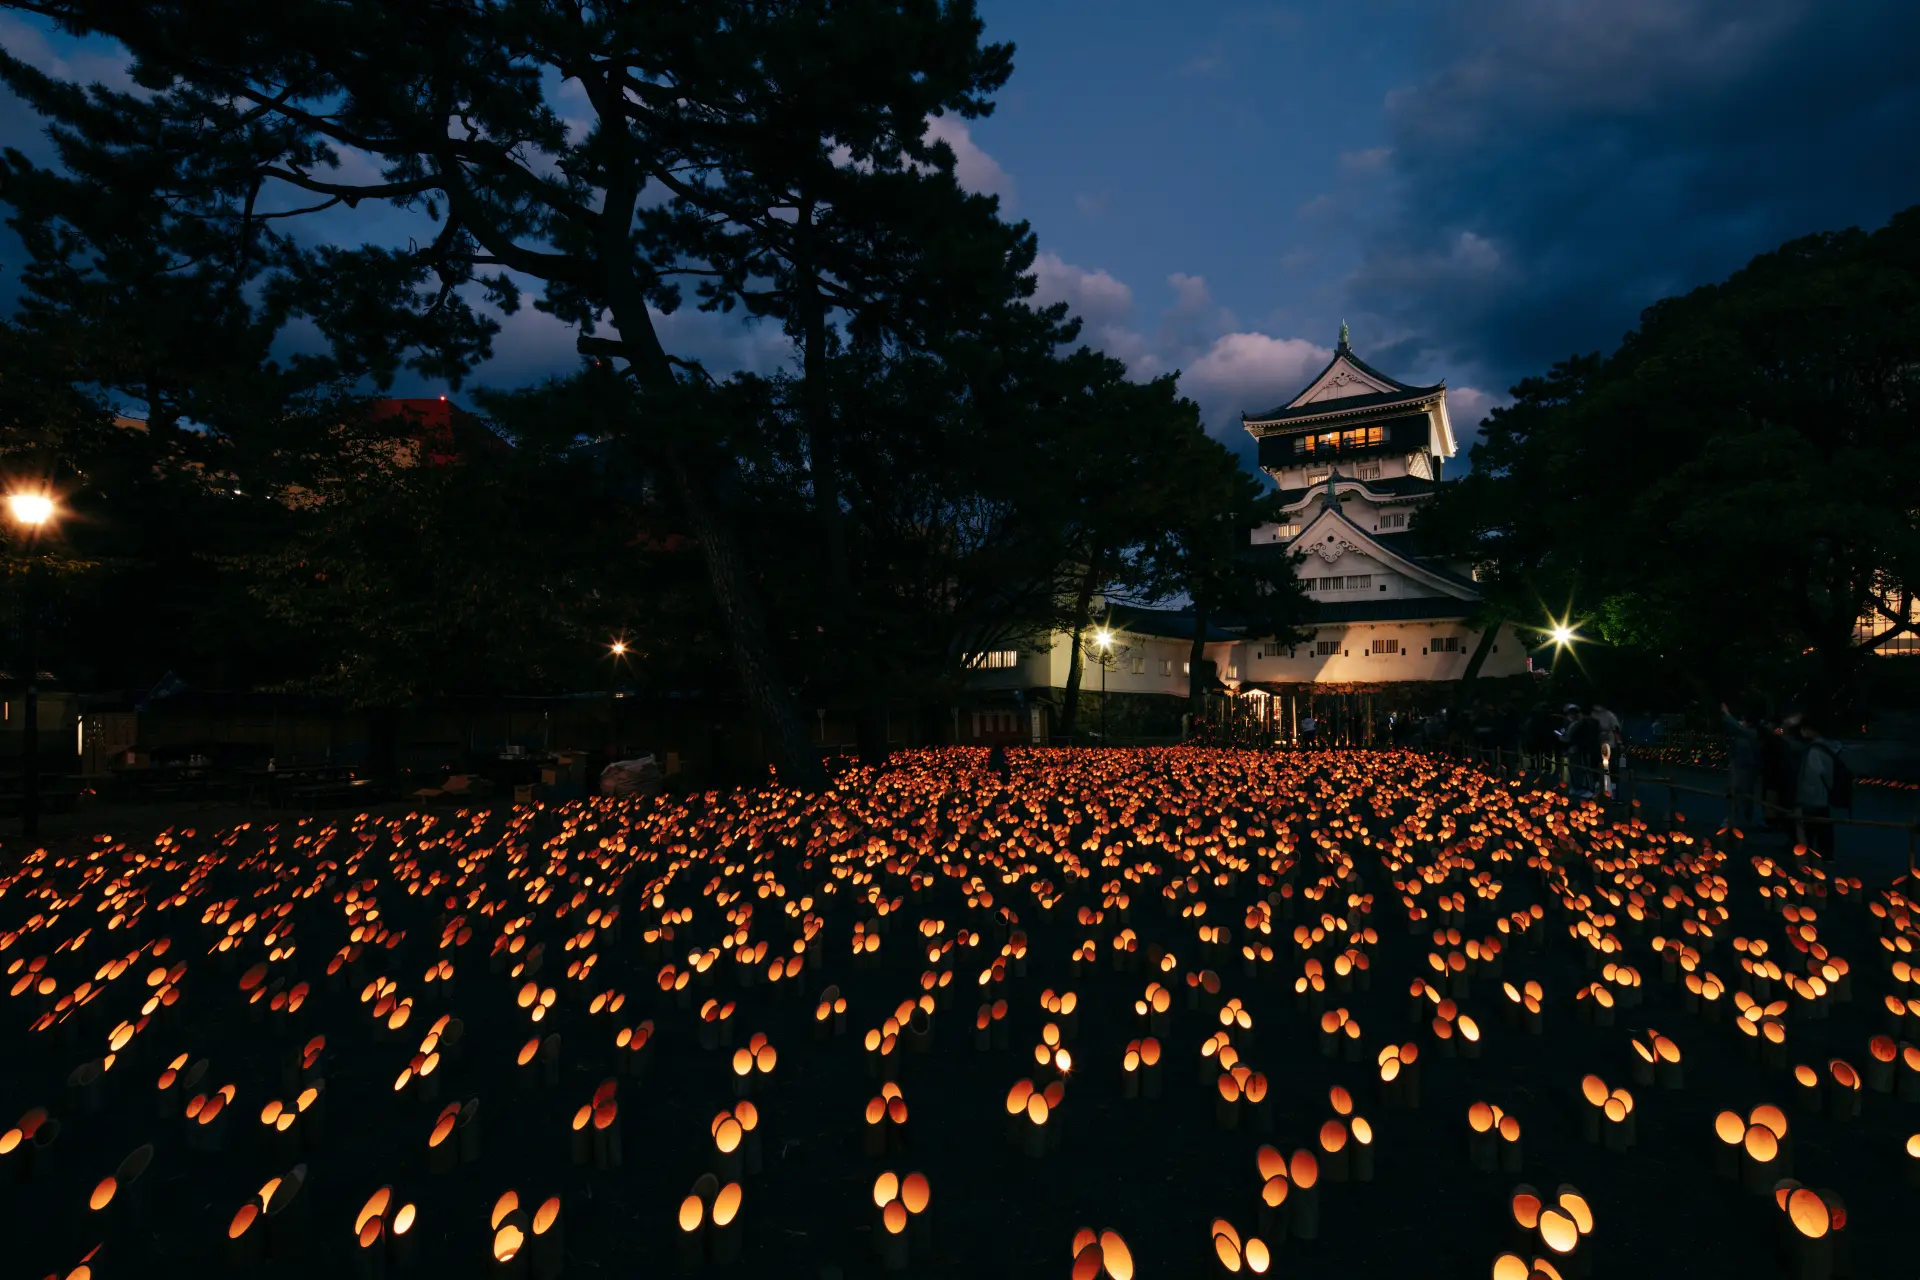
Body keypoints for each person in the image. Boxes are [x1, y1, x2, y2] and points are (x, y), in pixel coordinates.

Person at [1796, 718, 1844, 861]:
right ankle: (1826, 856)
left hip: (1812, 796)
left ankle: (1813, 859)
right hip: (1824, 794)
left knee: (1812, 828)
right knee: (1825, 827)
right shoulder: (1828, 748)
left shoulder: (1814, 750)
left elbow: (1812, 774)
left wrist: (1801, 796)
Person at [1720, 702, 1759, 830]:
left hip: (1747, 767)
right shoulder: (1741, 733)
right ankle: (1732, 818)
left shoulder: (1752, 732)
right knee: (1733, 792)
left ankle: (1746, 821)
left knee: (1746, 795)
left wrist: (1727, 714)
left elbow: (1737, 728)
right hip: (1738, 765)